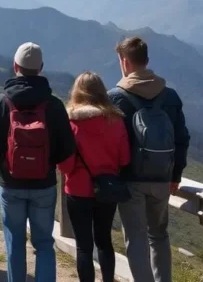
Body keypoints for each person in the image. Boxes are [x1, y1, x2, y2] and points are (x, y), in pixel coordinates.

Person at [0, 42, 76, 282]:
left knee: (14, 242)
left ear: (15, 66)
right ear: (41, 68)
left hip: (10, 185)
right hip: (44, 186)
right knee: (44, 242)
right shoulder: (54, 105)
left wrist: (6, 160)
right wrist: (46, 160)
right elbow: (67, 149)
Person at [108, 37, 190, 282]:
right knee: (159, 235)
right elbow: (182, 138)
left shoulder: (116, 98)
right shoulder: (171, 96)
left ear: (124, 62)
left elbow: (112, 143)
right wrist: (175, 175)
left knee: (136, 238)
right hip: (162, 178)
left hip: (130, 180)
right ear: (147, 61)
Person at [58, 72, 130, 282]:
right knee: (104, 241)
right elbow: (124, 159)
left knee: (84, 246)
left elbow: (66, 164)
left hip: (78, 191)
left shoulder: (70, 123)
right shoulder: (115, 120)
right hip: (108, 189)